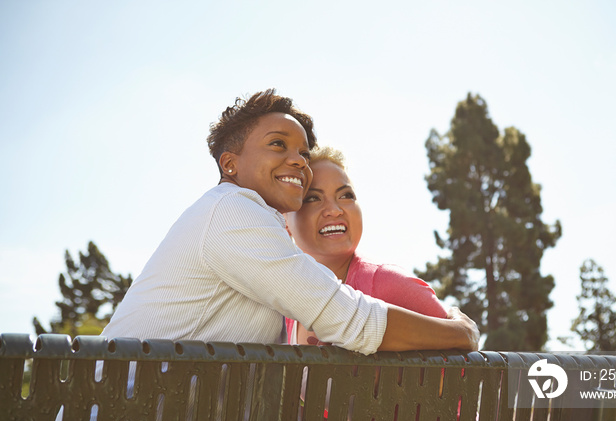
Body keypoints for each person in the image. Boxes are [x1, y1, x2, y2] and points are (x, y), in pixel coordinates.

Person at [101, 89, 479, 355]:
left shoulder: (256, 232)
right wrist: (460, 332)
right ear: (230, 164)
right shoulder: (232, 210)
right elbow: (345, 317)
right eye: (278, 144)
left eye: (302, 151)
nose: (299, 160)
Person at [283, 146, 449, 346]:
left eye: (346, 195)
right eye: (313, 198)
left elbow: (466, 367)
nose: (334, 210)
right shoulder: (283, 300)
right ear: (285, 222)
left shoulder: (390, 284)